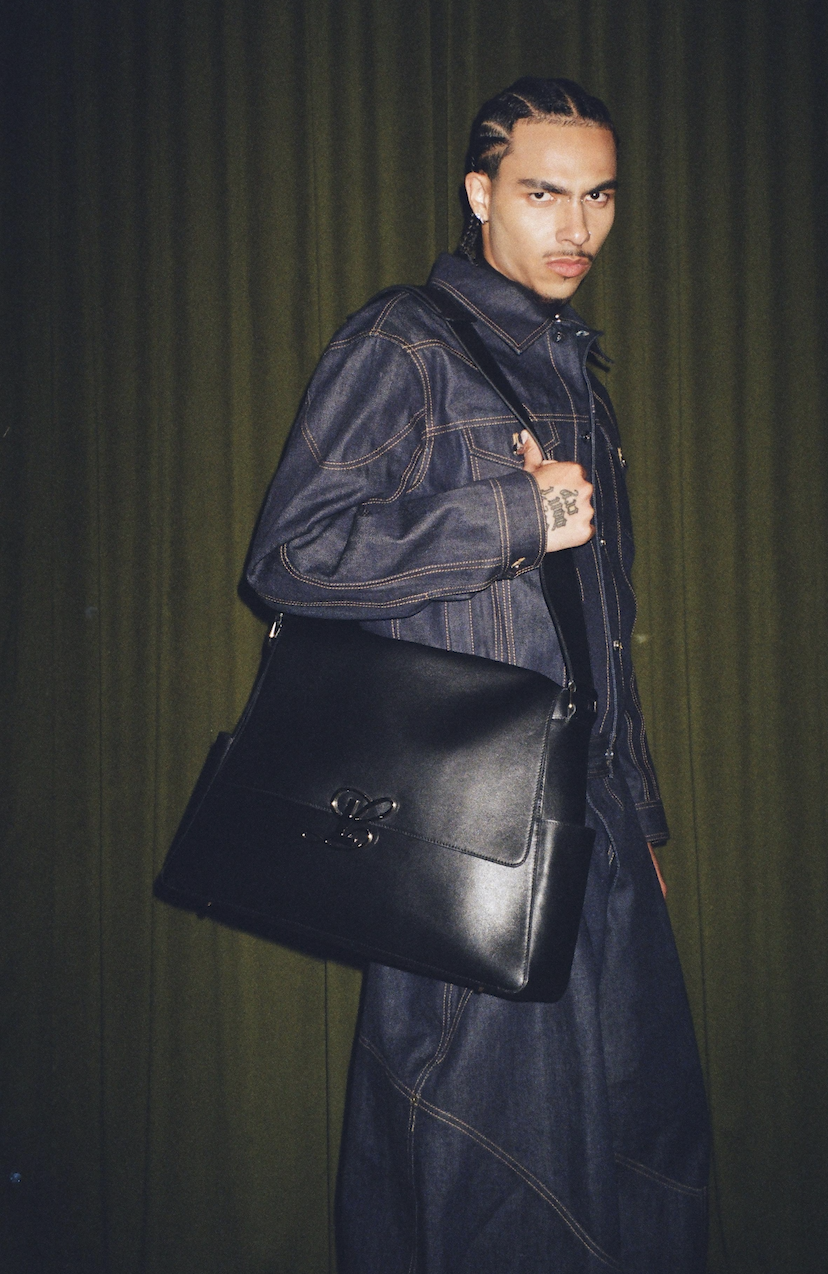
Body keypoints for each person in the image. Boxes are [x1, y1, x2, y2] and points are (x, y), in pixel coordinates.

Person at [247, 77, 709, 1274]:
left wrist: (638, 813)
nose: (576, 226)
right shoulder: (402, 341)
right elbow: (291, 556)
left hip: (594, 823)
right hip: (472, 832)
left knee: (636, 1150)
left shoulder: (571, 372)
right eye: (542, 192)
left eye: (598, 195)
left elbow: (600, 624)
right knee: (483, 1165)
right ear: (478, 194)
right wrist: (511, 507)